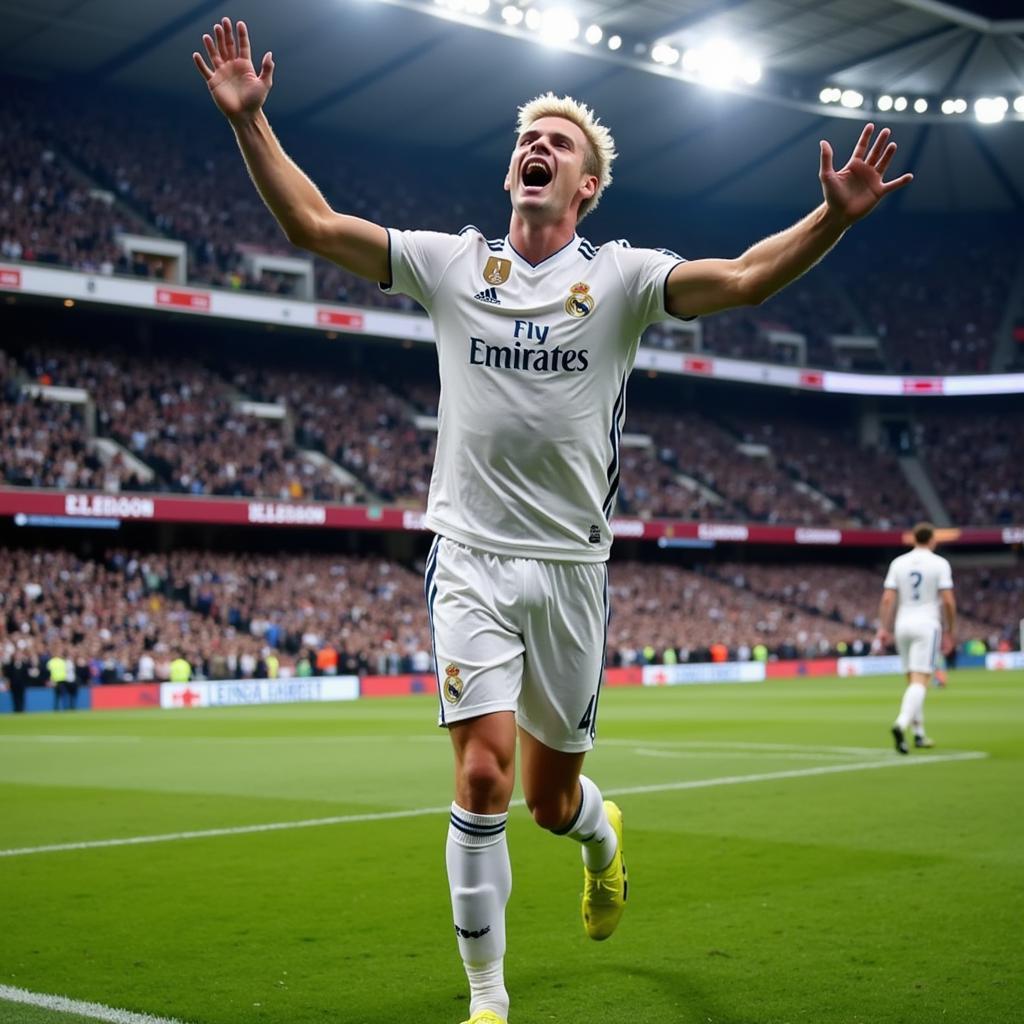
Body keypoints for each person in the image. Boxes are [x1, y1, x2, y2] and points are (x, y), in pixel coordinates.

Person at [194, 19, 912, 1023]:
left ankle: (601, 841)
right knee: (481, 773)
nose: (535, 146)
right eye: (526, 137)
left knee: (548, 800)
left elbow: (744, 277)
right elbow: (314, 225)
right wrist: (251, 123)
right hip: (471, 555)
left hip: (572, 568)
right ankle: (488, 999)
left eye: (558, 142)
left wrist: (830, 219)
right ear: (510, 174)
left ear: (587, 188)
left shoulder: (619, 280)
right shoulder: (449, 265)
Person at [875, 522, 956, 754]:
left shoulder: (898, 563)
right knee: (922, 681)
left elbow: (888, 599)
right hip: (927, 623)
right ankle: (901, 724)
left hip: (903, 623)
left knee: (912, 681)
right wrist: (950, 629)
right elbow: (948, 601)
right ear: (932, 539)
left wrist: (883, 627)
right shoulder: (939, 563)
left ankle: (919, 734)